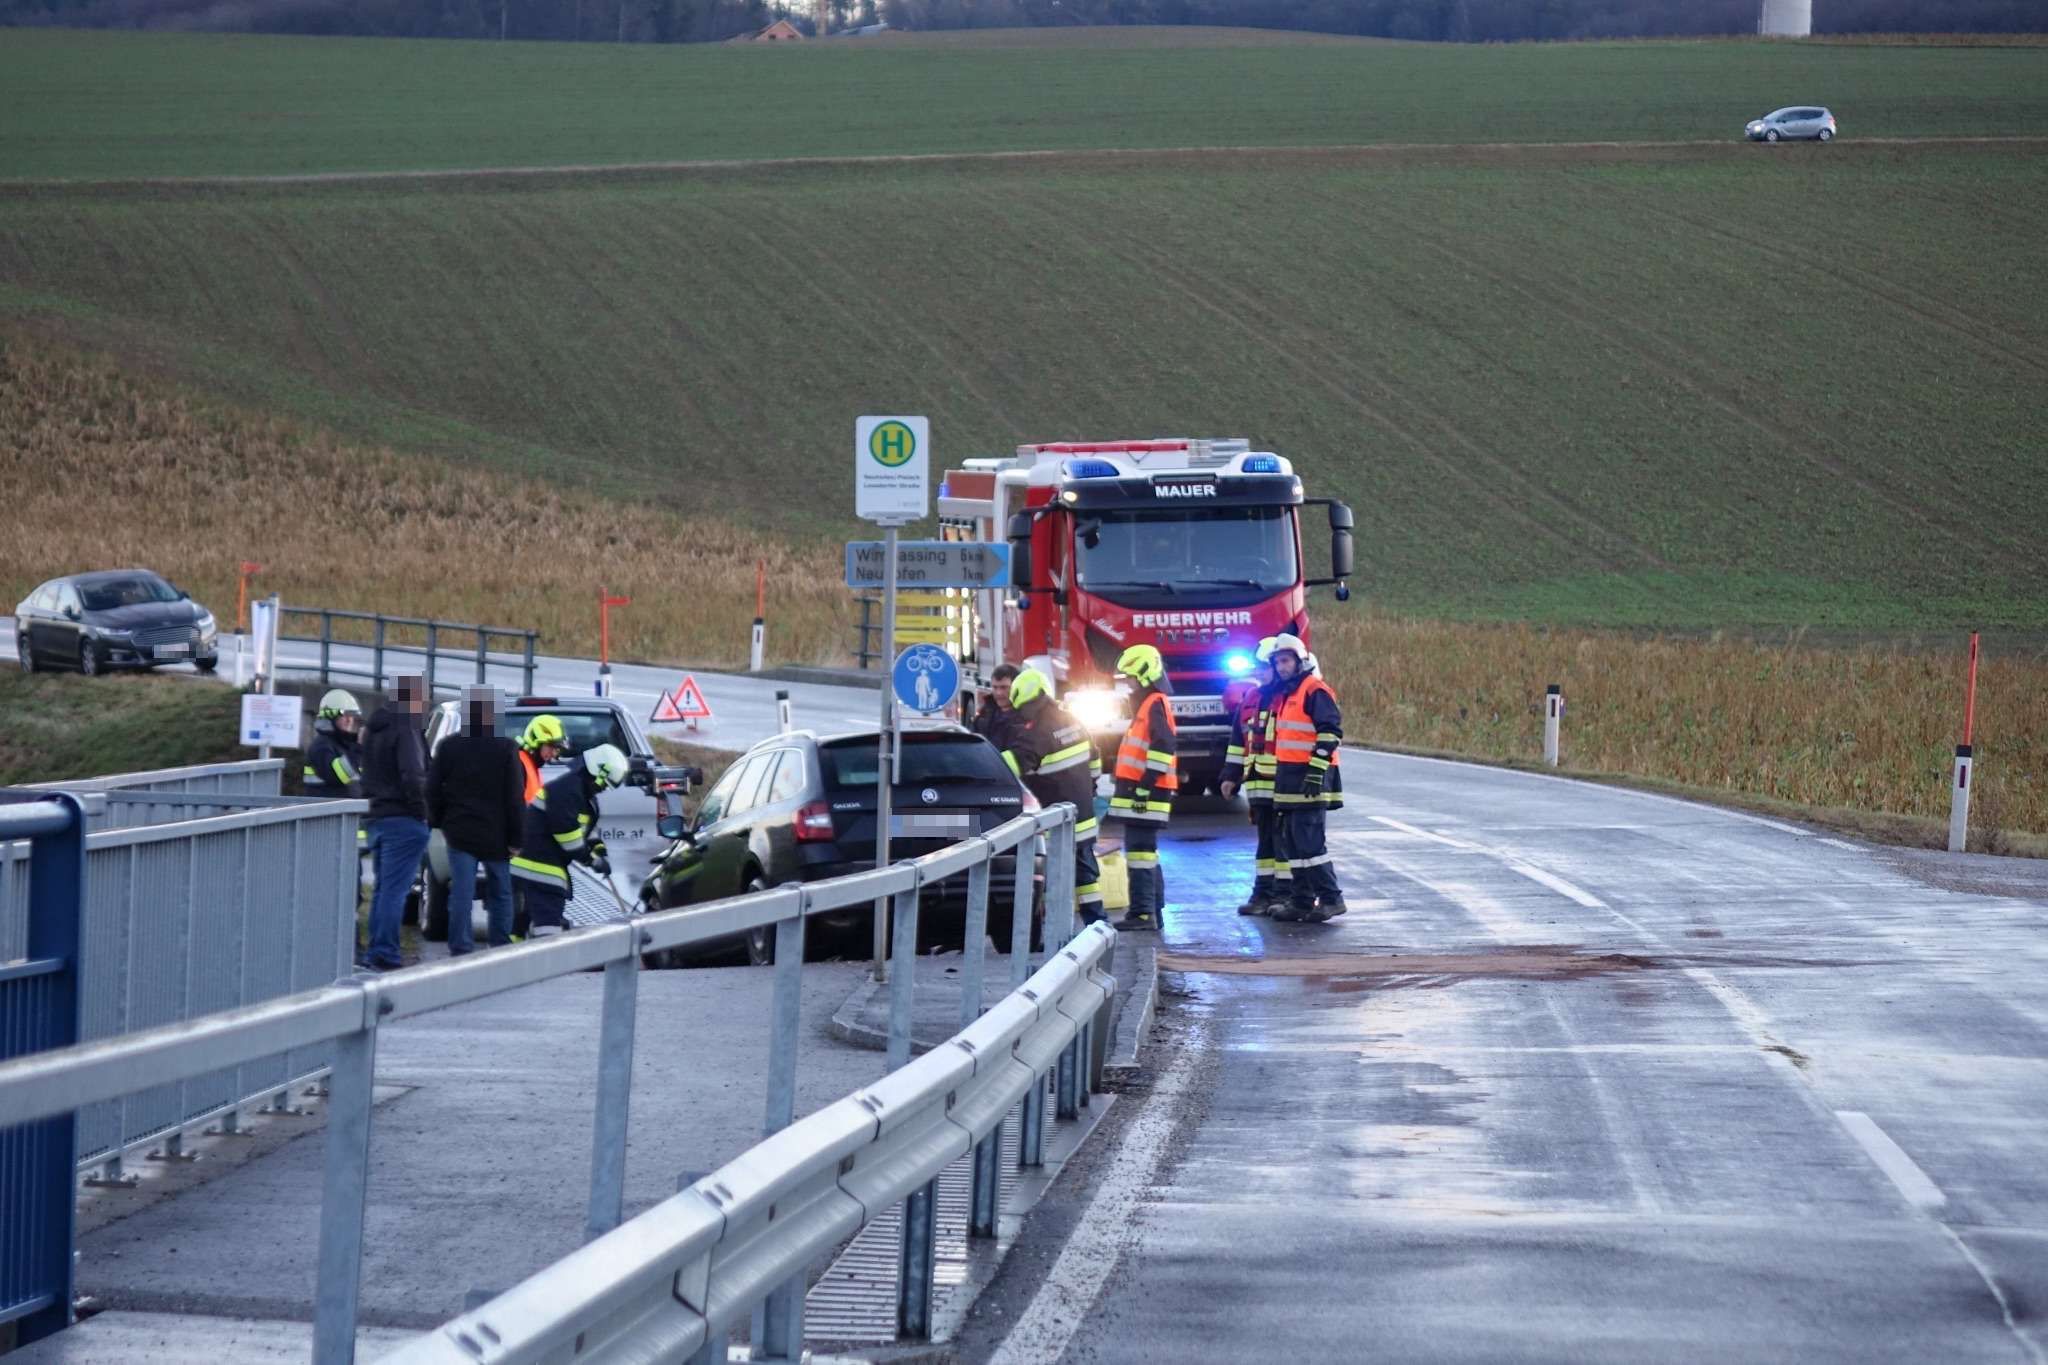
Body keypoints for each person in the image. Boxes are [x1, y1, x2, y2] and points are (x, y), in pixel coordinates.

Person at [1000, 668, 1105, 927]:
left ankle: (1057, 934)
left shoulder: (1037, 730)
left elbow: (1015, 763)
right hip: (1084, 816)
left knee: (1053, 879)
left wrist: (987, 763)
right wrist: (1090, 789)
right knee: (1086, 876)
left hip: (1057, 823)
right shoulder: (1074, 721)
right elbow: (1095, 760)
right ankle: (1099, 925)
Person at [427, 688, 526, 954]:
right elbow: (514, 797)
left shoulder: (449, 747)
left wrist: (439, 821)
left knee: (461, 892)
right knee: (501, 893)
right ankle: (500, 947)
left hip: (459, 831)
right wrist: (516, 838)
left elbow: (432, 789)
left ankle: (460, 947)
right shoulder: (506, 748)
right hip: (497, 835)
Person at [1266, 635, 1347, 923]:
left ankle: (1331, 899)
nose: (1281, 667)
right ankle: (1301, 901)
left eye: (1285, 661)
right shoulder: (1288, 694)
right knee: (1293, 844)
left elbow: (1330, 732)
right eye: (1277, 662)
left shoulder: (1314, 690)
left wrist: (1316, 770)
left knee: (1310, 844)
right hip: (1290, 780)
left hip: (1310, 779)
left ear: (1300, 661)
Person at [511, 744, 628, 938]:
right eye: (604, 784)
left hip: (537, 867)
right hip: (539, 869)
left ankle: (511, 953)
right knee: (548, 928)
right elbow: (568, 838)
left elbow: (585, 828)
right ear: (598, 773)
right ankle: (545, 955)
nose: (603, 789)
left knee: (520, 924)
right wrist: (592, 860)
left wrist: (598, 849)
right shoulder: (566, 792)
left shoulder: (580, 793)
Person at [359, 674, 431, 971]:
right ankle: (386, 952)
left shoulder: (374, 728)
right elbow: (413, 774)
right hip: (403, 818)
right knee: (395, 891)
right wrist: (421, 811)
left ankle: (376, 949)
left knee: (382, 889)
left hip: (377, 816)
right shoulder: (406, 726)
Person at [1107, 644, 1177, 930]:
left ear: (1145, 675)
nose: (1128, 684)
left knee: (1140, 853)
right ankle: (1152, 911)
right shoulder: (1149, 703)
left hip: (1146, 791)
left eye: (1131, 678)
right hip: (1142, 789)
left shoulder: (1153, 703)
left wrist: (1145, 785)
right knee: (1144, 852)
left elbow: (1164, 745)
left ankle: (1143, 914)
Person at [1220, 641, 1283, 915]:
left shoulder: (1290, 699)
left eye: (1264, 667)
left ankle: (1284, 895)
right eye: (1257, 667)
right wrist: (1230, 776)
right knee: (1265, 844)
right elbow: (1238, 742)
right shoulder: (1251, 698)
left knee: (1283, 845)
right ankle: (1263, 895)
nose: (1259, 673)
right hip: (1259, 789)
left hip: (1285, 787)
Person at [304, 689, 365, 796]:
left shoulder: (346, 744)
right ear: (330, 717)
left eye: (351, 716)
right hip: (327, 806)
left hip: (350, 805)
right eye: (344, 715)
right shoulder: (321, 746)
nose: (349, 720)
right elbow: (337, 776)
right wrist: (359, 748)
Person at [515, 713, 567, 805]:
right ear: (535, 742)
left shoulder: (529, 763)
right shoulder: (519, 764)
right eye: (551, 746)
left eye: (557, 748)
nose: (554, 754)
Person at [972, 664, 1021, 753]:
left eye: (1004, 687)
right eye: (995, 687)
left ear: (1017, 687)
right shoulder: (985, 713)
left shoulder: (1025, 717)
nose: (998, 693)